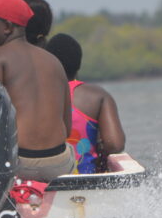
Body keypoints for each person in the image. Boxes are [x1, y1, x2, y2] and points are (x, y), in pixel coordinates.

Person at [0, 0, 74, 182]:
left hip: (18, 163)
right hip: (59, 162)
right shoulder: (53, 61)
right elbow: (67, 127)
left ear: (7, 27)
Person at [45, 33, 126, 173]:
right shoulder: (97, 96)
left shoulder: (33, 96)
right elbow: (115, 144)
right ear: (79, 64)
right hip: (86, 178)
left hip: (43, 181)